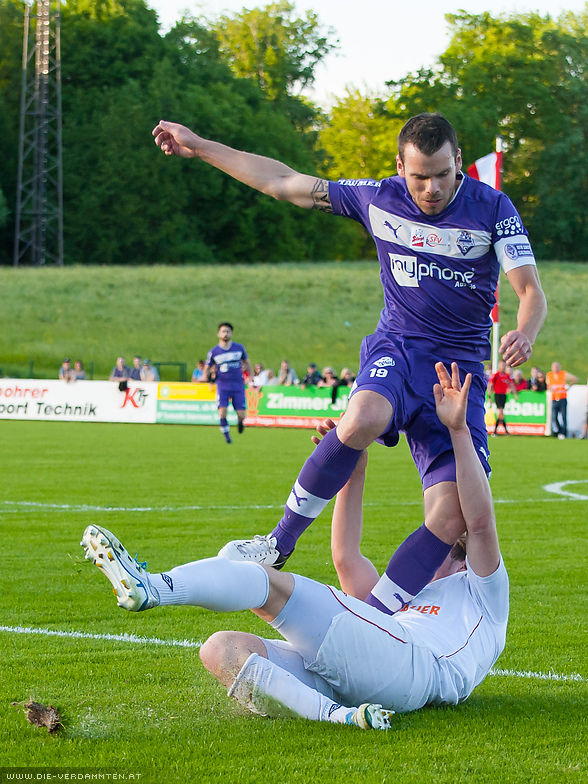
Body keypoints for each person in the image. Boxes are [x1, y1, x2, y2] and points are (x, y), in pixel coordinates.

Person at [153, 112, 546, 572]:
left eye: (443, 174)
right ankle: (278, 543)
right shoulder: (377, 199)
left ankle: (386, 616)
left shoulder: (494, 207)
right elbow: (283, 181)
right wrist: (198, 145)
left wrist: (525, 331)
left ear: (458, 160)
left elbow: (530, 291)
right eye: (420, 177)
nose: (433, 188)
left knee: (452, 520)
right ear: (400, 168)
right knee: (362, 417)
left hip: (458, 376)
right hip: (398, 349)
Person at [81, 362, 508, 729]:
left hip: (418, 668)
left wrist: (458, 430)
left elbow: (481, 521)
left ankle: (154, 587)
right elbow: (345, 555)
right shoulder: (406, 594)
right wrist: (354, 461)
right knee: (222, 649)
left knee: (269, 583)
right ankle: (338, 716)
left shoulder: (482, 589)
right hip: (378, 671)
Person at [205, 322, 253, 444]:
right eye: (223, 331)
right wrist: (208, 379)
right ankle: (227, 437)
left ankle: (240, 422)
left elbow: (247, 363)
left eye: (228, 331)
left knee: (242, 414)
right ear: (218, 334)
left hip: (238, 385)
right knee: (222, 412)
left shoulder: (239, 348)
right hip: (222, 385)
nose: (226, 334)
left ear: (231, 334)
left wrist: (251, 376)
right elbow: (207, 367)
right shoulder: (214, 352)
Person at [546, 361, 578, 439]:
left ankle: (564, 433)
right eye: (554, 367)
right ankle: (558, 431)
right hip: (554, 398)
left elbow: (575, 379)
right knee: (554, 417)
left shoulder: (563, 374)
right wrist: (551, 388)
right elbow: (548, 386)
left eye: (557, 367)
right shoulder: (549, 375)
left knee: (564, 417)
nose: (555, 368)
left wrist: (568, 386)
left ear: (560, 367)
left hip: (562, 398)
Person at [487, 360, 517, 436]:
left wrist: (515, 393)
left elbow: (511, 384)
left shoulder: (507, 376)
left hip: (504, 395)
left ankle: (497, 432)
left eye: (504, 365)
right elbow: (490, 385)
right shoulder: (496, 375)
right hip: (497, 395)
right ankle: (501, 431)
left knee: (501, 413)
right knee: (500, 412)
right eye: (501, 365)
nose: (502, 367)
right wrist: (489, 396)